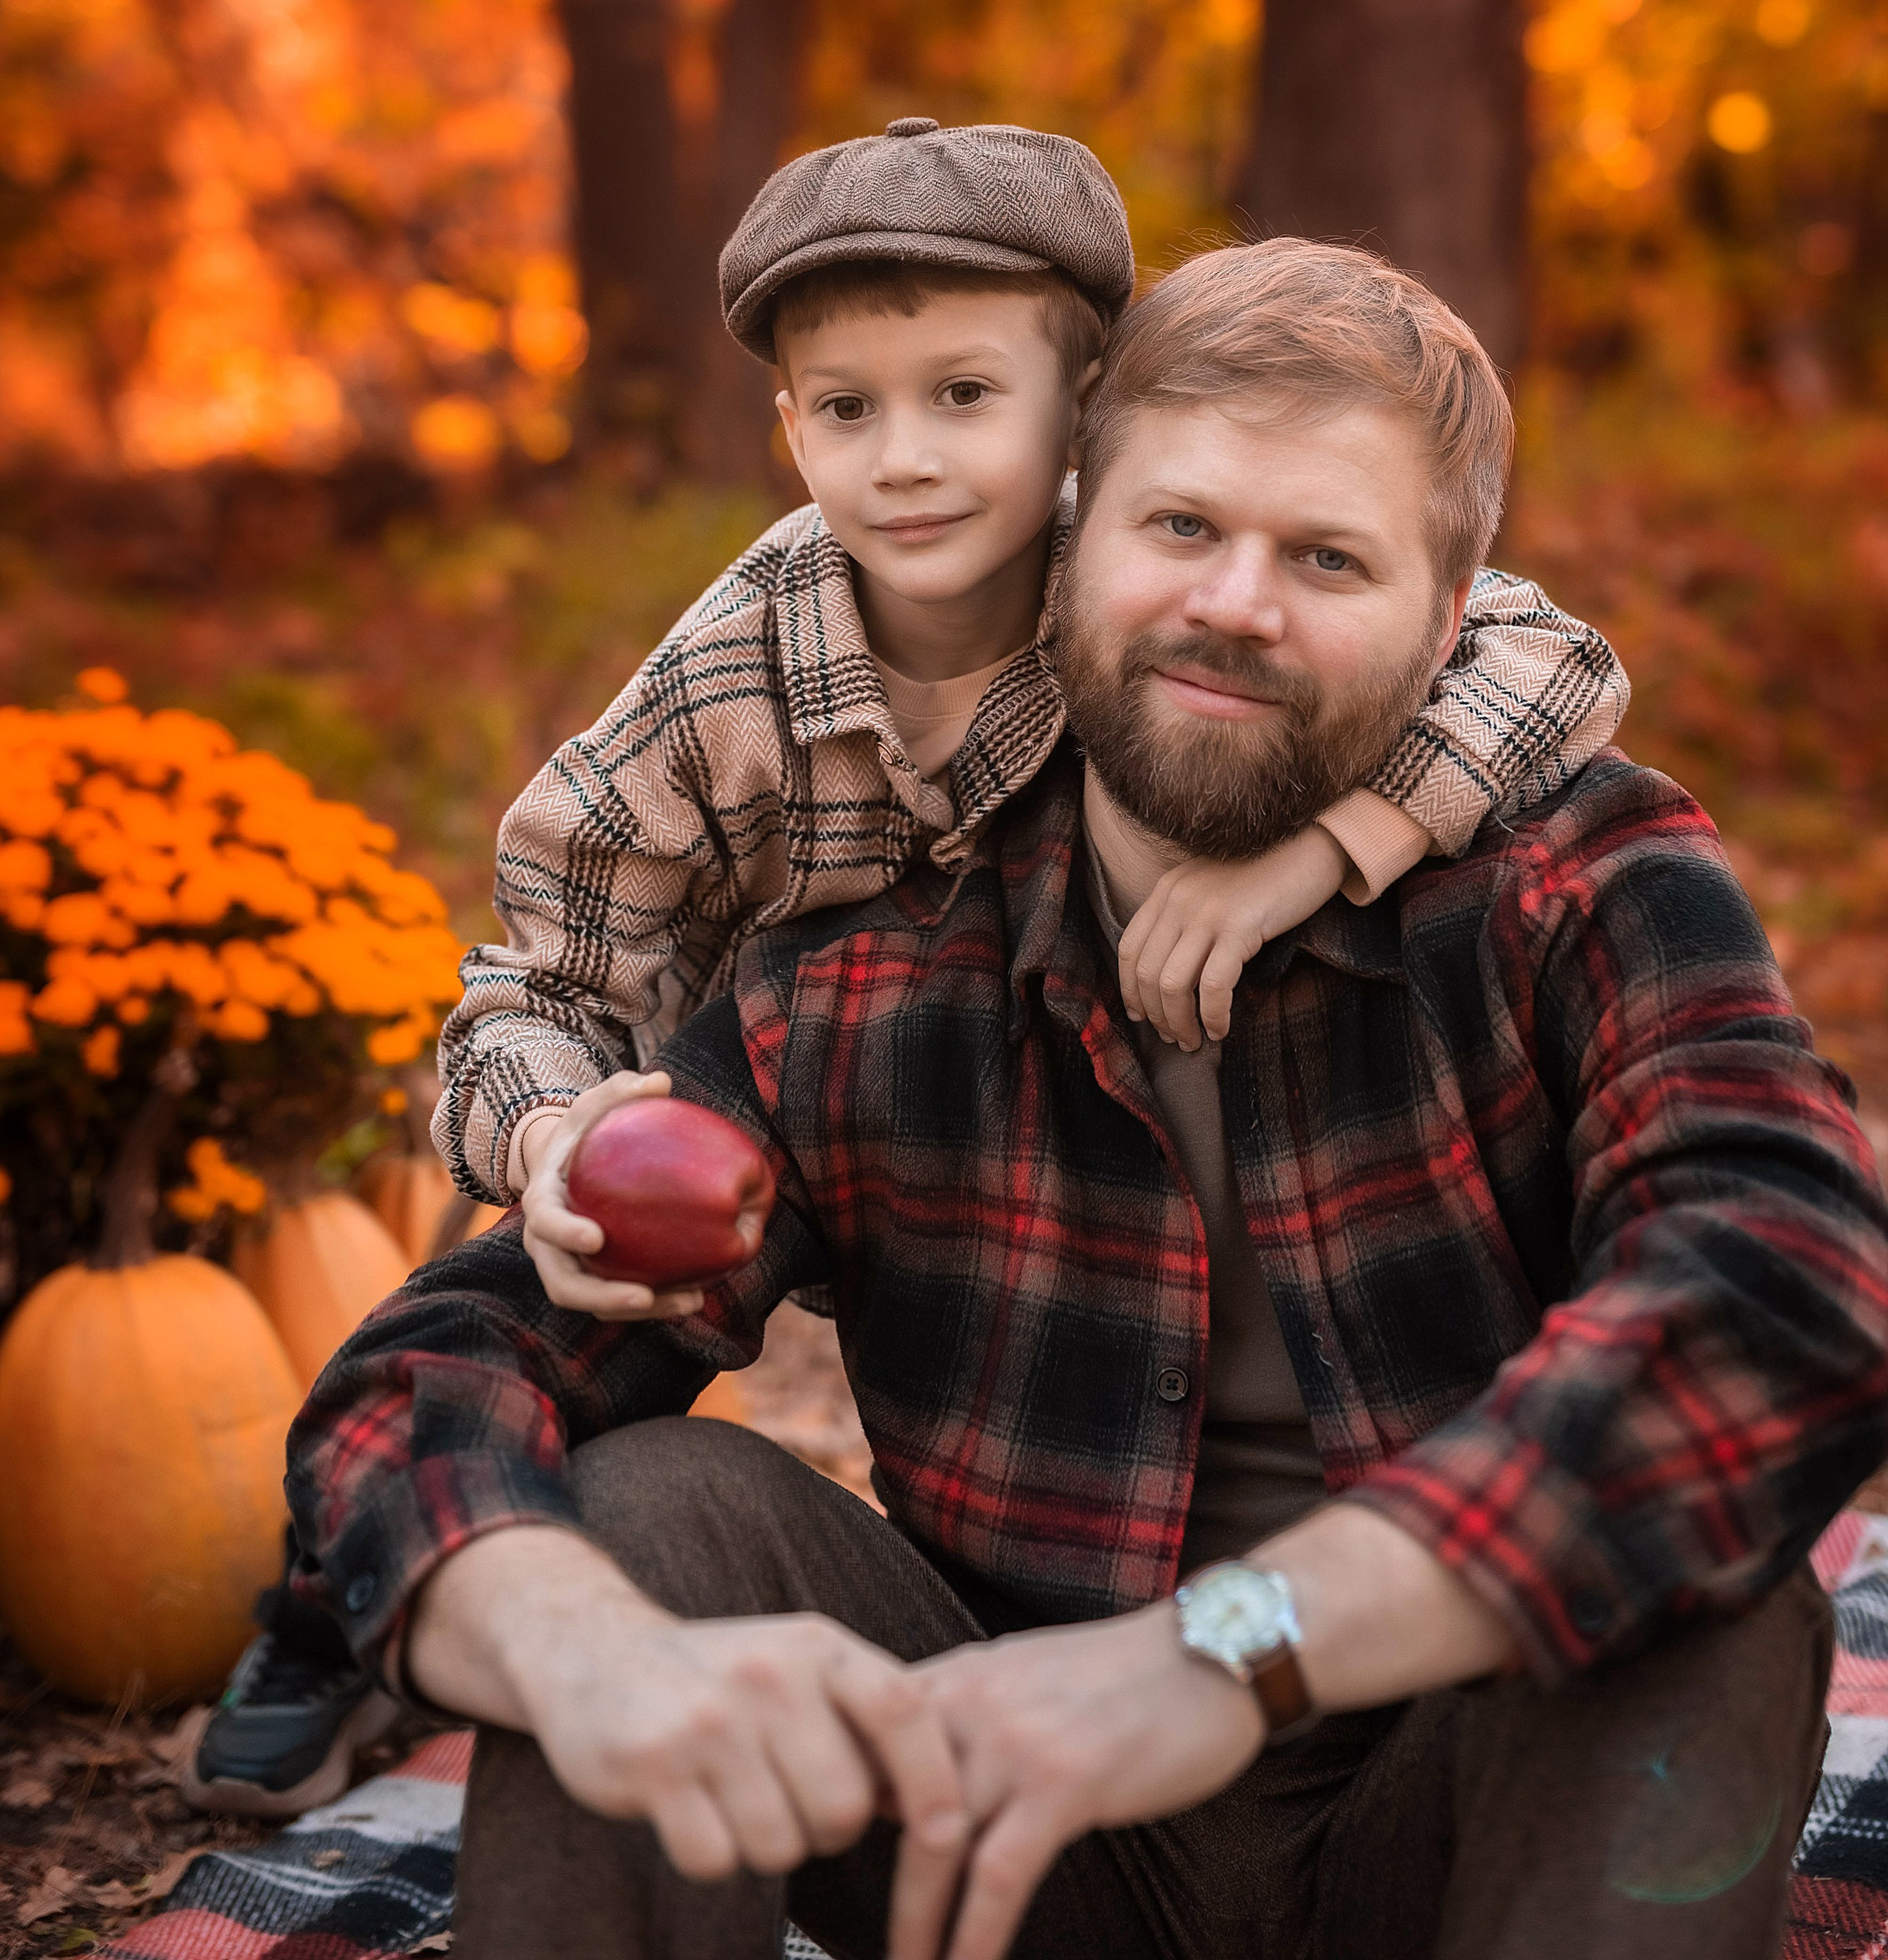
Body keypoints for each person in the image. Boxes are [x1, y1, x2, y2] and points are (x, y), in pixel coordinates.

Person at [287, 235, 1888, 1960]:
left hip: (1466, 1803)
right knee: (644, 1516)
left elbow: (1787, 1275)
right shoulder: (871, 976)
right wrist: (568, 1647)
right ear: (1064, 563)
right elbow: (430, 1374)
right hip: (1014, 1834)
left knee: (1701, 1582)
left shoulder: (1575, 879)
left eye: (1325, 556)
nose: (1235, 603)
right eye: (1181, 527)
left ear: (1448, 626)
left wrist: (1231, 1647)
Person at [191, 122, 1625, 1819]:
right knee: (523, 1304)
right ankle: (329, 1601)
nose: (904, 461)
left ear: (1081, 401)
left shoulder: (1170, 562)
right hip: (754, 1067)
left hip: (1030, 1060)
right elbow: (540, 957)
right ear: (785, 422)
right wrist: (551, 1135)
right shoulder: (725, 678)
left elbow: (1542, 654)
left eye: (962, 395)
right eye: (844, 409)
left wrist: (1313, 852)